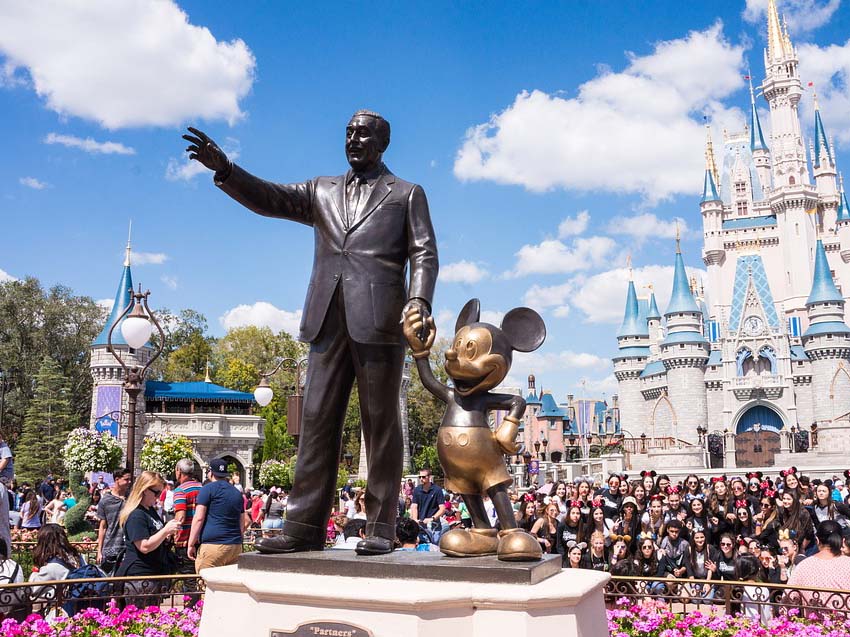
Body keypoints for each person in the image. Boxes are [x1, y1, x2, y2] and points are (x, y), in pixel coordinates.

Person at [184, 110, 438, 557]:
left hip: (380, 319)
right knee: (317, 420)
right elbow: (270, 198)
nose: (353, 140)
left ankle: (380, 526)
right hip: (326, 316)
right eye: (348, 133)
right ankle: (302, 525)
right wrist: (226, 170)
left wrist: (418, 301)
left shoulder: (407, 193)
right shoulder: (322, 189)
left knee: (380, 424)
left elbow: (424, 252)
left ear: (382, 142)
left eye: (362, 134)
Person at [115, 471, 180, 606]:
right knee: (139, 620)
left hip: (153, 572)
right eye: (156, 493)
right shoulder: (136, 515)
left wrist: (166, 536)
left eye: (160, 493)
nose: (158, 497)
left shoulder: (149, 510)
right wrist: (165, 531)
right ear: (144, 490)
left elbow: (155, 536)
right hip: (139, 577)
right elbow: (143, 546)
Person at [187, 458, 250, 571]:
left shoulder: (207, 489)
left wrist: (191, 544)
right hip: (235, 546)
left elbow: (199, 518)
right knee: (228, 586)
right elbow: (242, 521)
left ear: (210, 472)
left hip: (213, 545)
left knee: (205, 583)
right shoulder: (237, 493)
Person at [788, 520, 850, 599]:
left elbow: (788, 600)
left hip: (812, 611)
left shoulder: (803, 566)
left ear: (817, 540)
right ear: (842, 541)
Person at [172, 458, 202, 602]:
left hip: (185, 540)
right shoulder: (203, 488)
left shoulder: (180, 491)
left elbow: (180, 517)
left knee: (188, 578)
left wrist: (172, 534)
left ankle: (191, 610)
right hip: (202, 539)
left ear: (179, 471)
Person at [96, 468, 132, 576]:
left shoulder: (131, 498)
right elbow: (102, 527)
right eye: (126, 479)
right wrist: (99, 551)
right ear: (117, 479)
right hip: (110, 547)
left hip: (128, 546)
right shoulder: (105, 501)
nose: (129, 482)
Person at [409, 469, 445, 543]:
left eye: (423, 477)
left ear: (429, 477)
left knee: (434, 549)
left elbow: (442, 508)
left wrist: (432, 518)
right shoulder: (417, 490)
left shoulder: (437, 490)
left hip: (434, 526)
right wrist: (415, 520)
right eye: (420, 477)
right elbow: (414, 506)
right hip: (420, 525)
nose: (421, 479)